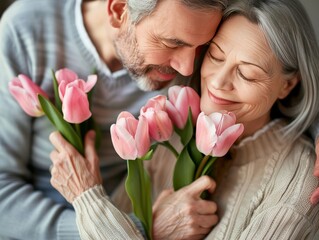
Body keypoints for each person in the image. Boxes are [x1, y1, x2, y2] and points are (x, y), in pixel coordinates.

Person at [49, 0, 319, 239]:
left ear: (288, 85)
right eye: (215, 56)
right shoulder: (172, 134)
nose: (218, 81)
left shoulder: (299, 185)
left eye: (247, 74)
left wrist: (87, 198)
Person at [0, 0, 226, 239]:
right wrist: (134, 230)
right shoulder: (25, 31)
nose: (188, 69)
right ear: (118, 12)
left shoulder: (184, 64)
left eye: (201, 47)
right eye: (172, 43)